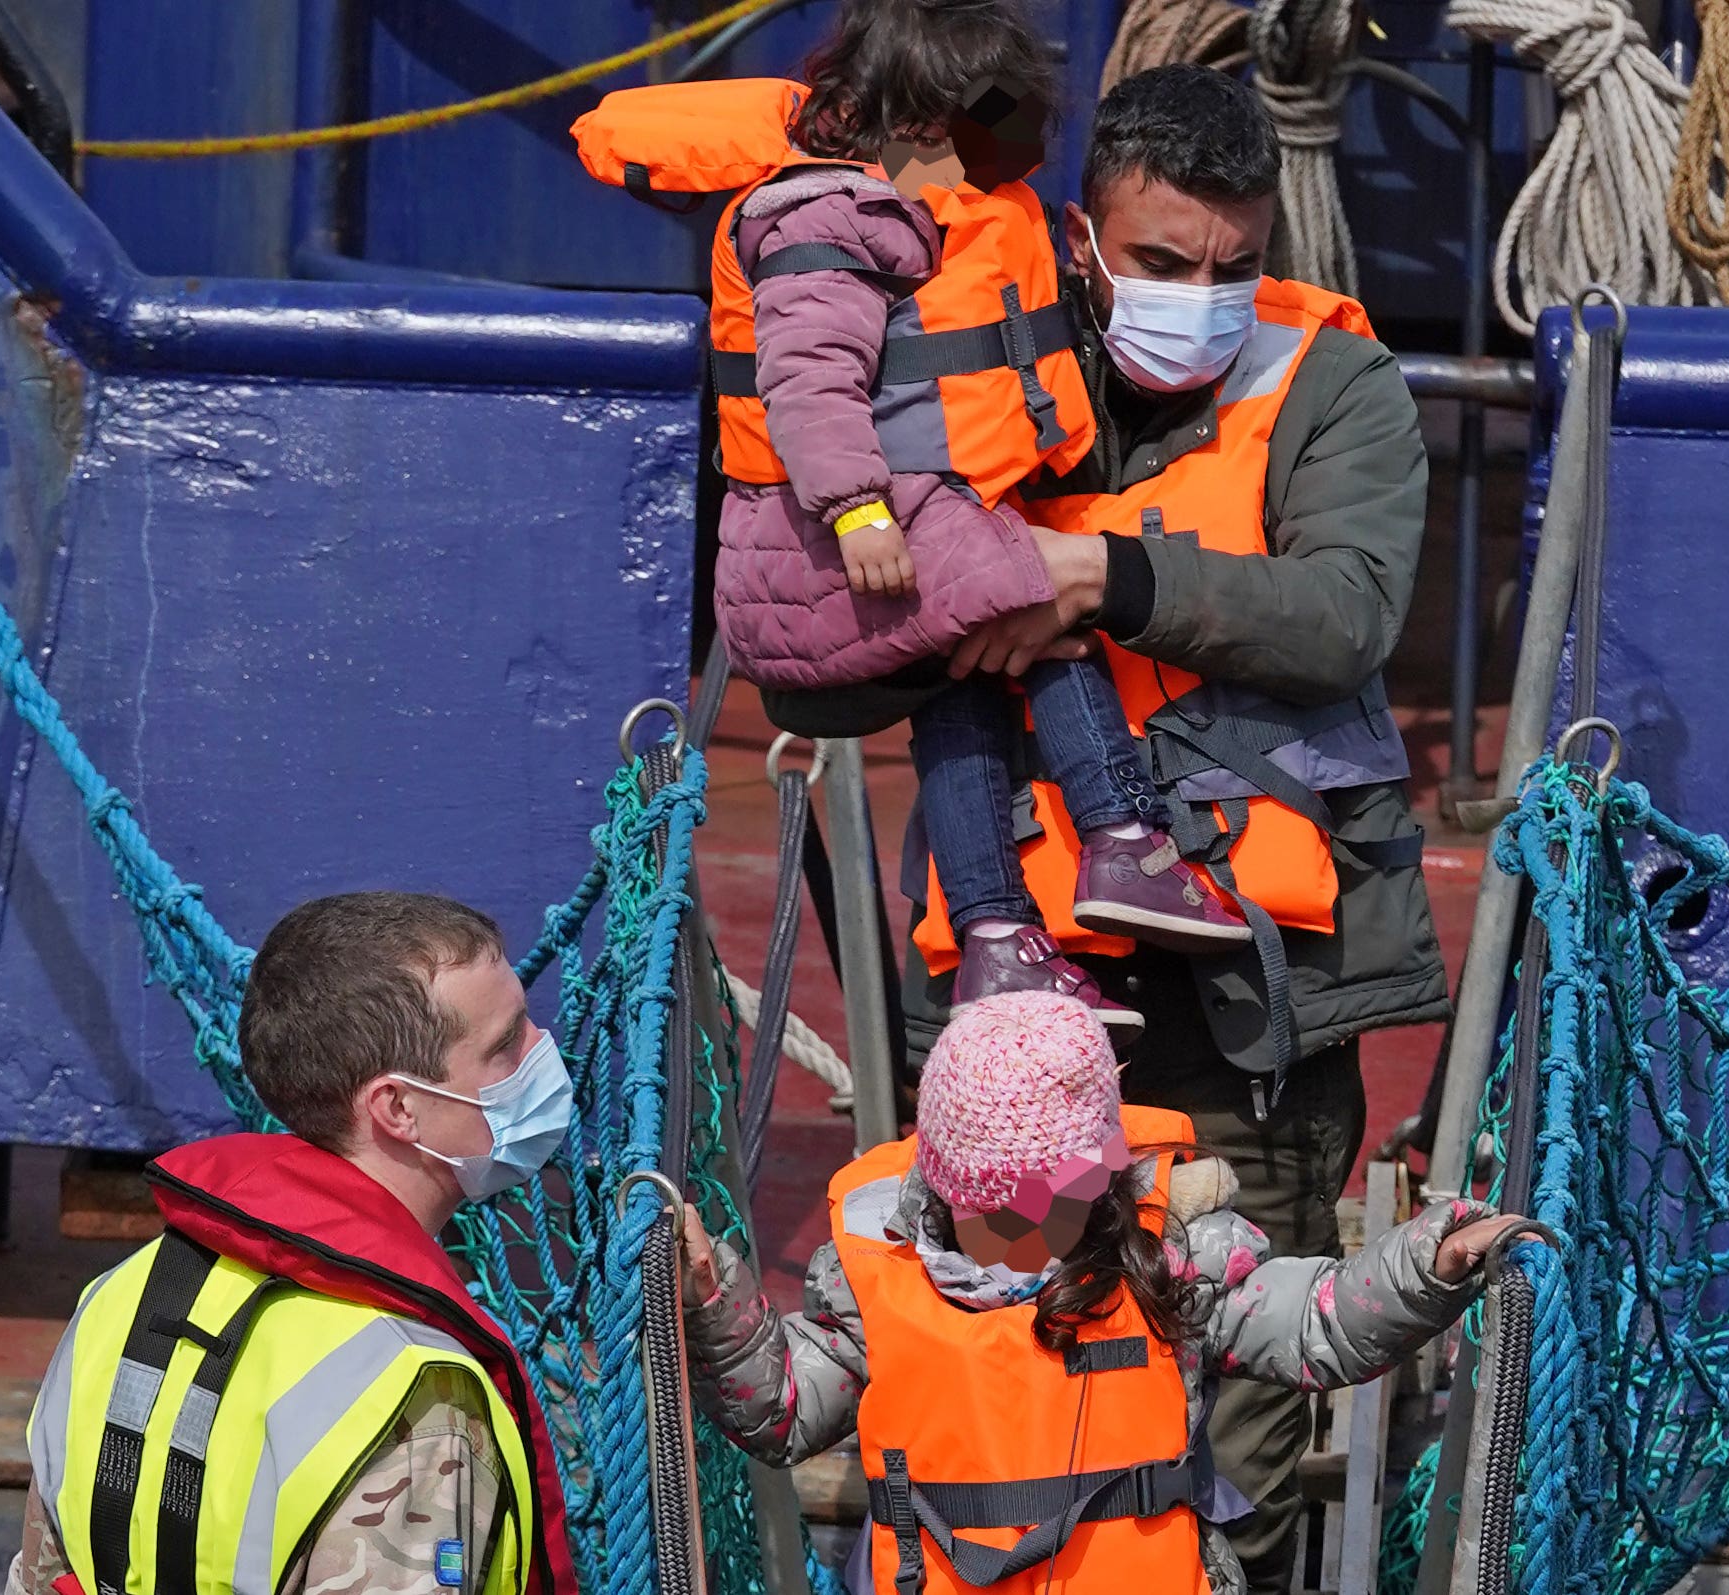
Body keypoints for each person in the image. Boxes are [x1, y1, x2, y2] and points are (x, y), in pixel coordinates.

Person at [761, 64, 1450, 1592]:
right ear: (1086, 233)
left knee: (1243, 1448)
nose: (1198, 297)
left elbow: (1346, 611)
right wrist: (947, 591)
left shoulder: (1329, 381)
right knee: (984, 1416)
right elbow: (822, 625)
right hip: (1010, 1013)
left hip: (1245, 997)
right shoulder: (973, 339)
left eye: (1229, 265)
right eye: (1159, 262)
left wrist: (1092, 579)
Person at [573, 0, 1253, 1037]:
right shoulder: (825, 216)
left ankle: (994, 939)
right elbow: (806, 380)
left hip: (846, 560)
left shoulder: (881, 196)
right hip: (823, 562)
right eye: (978, 148)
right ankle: (1125, 835)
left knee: (968, 681)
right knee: (1044, 611)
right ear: (924, 129)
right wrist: (856, 512)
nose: (988, 182)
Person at [676, 992, 1517, 1595]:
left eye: (1060, 1196)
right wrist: (713, 1298)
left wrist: (1426, 1264)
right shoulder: (873, 1273)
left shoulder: (1168, 1254)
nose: (1029, 1224)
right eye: (1000, 1209)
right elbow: (782, 1407)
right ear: (950, 1185)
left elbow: (1312, 1321)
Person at [7, 892, 580, 1595]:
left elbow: (42, 1568)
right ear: (398, 1107)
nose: (543, 1050)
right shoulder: (414, 1397)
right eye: (506, 1044)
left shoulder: (117, 1296)